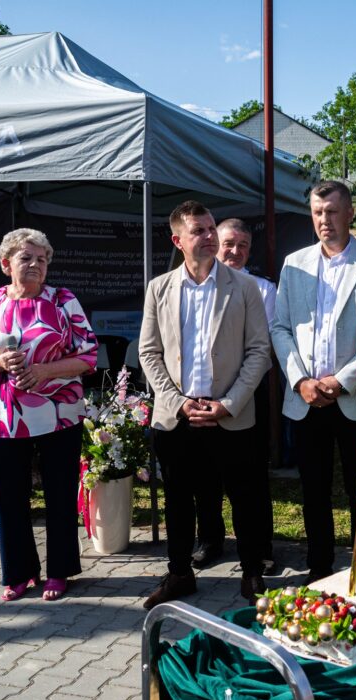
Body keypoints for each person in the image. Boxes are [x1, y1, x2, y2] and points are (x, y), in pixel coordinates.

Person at [139, 200, 271, 609]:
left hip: (229, 416)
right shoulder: (159, 288)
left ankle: (252, 573)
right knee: (179, 500)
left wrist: (229, 403)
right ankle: (179, 573)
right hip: (177, 419)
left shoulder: (244, 287)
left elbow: (259, 351)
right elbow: (149, 352)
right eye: (199, 230)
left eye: (211, 228)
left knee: (244, 498)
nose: (210, 236)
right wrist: (178, 403)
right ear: (178, 240)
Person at [0, 228, 98, 602]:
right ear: (6, 264)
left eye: (42, 258)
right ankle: (19, 574)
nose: (36, 264)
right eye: (27, 257)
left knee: (59, 494)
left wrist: (44, 371)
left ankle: (59, 572)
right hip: (5, 417)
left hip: (60, 414)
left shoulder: (63, 300)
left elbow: (88, 355)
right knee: (9, 498)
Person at [271, 180, 356, 583]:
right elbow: (280, 327)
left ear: (350, 213)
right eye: (317, 212)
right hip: (305, 398)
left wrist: (341, 382)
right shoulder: (294, 263)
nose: (324, 220)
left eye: (332, 211)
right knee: (313, 489)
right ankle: (320, 567)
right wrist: (301, 380)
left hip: (354, 398)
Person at [187, 219, 277, 575]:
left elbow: (261, 347)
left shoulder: (263, 290)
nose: (235, 251)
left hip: (247, 396)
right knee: (204, 476)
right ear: (214, 243)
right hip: (200, 396)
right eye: (229, 243)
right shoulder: (195, 286)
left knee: (251, 479)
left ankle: (259, 548)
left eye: (242, 245)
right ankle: (209, 541)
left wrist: (233, 396)